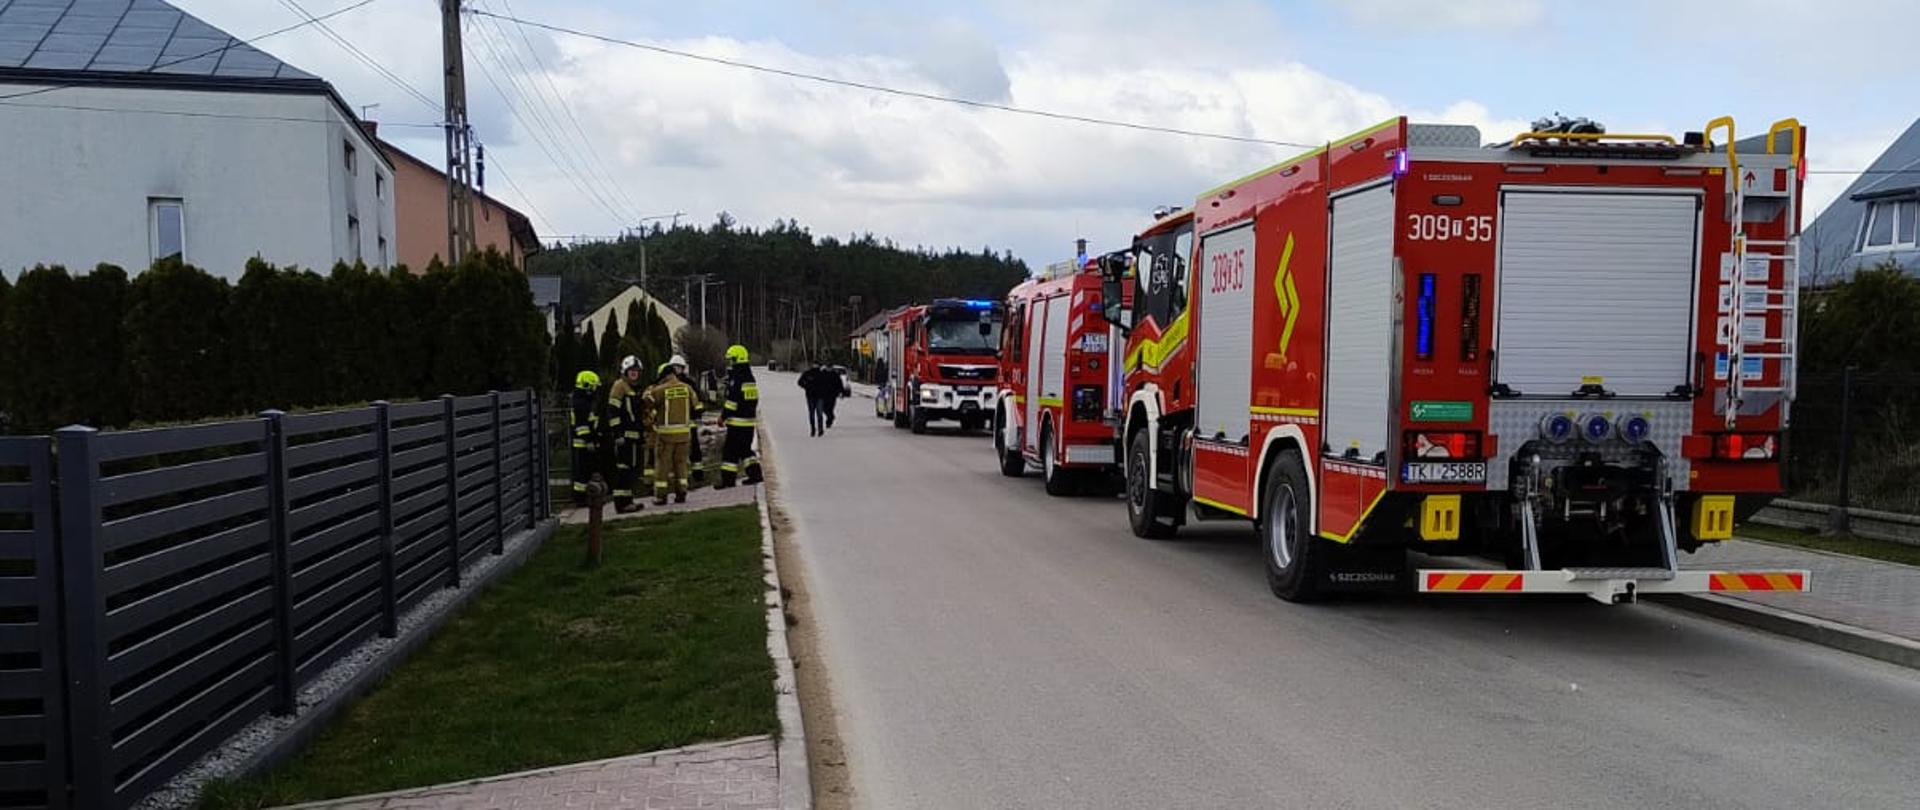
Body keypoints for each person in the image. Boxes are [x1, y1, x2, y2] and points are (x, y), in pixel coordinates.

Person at [644, 355, 700, 504]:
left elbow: (646, 402)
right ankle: (681, 493)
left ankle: (661, 496)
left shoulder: (661, 389)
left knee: (662, 466)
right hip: (684, 435)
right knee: (681, 465)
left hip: (665, 436)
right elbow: (697, 406)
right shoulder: (687, 388)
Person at [603, 355, 647, 512]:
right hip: (624, 437)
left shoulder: (633, 389)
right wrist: (618, 434)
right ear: (625, 372)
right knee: (624, 469)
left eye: (637, 372)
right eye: (632, 372)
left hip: (633, 437)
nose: (634, 374)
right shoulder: (620, 386)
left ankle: (628, 501)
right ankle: (621, 504)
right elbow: (613, 411)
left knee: (630, 470)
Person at [716, 344, 763, 487]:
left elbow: (732, 402)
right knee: (745, 450)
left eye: (731, 360)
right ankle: (755, 475)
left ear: (737, 359)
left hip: (737, 422)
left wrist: (722, 417)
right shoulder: (750, 378)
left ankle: (728, 480)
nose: (730, 363)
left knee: (730, 452)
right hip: (748, 422)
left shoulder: (737, 379)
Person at [568, 370, 602, 505]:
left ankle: (585, 497)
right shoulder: (580, 403)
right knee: (582, 474)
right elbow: (582, 425)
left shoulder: (582, 400)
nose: (595, 390)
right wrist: (589, 441)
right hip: (582, 444)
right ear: (587, 386)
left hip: (585, 442)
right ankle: (580, 499)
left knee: (585, 472)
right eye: (594, 386)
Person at [797, 362, 829, 437]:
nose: (815, 366)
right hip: (810, 396)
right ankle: (813, 429)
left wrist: (824, 391)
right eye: (814, 364)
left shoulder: (822, 374)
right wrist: (806, 387)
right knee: (811, 414)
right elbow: (800, 382)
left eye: (817, 364)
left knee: (819, 414)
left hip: (820, 397)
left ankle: (820, 429)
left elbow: (826, 384)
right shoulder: (808, 373)